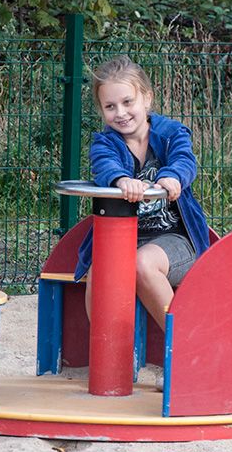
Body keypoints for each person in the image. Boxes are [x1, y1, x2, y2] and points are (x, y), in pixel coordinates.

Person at [74, 55, 210, 331]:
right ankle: (108, 356)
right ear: (101, 111)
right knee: (100, 269)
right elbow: (104, 165)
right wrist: (122, 179)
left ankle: (183, 343)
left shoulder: (172, 134)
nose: (120, 113)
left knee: (141, 263)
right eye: (110, 107)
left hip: (174, 239)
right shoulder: (104, 143)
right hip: (123, 238)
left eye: (127, 102)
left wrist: (172, 177)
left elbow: (185, 160)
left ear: (146, 99)